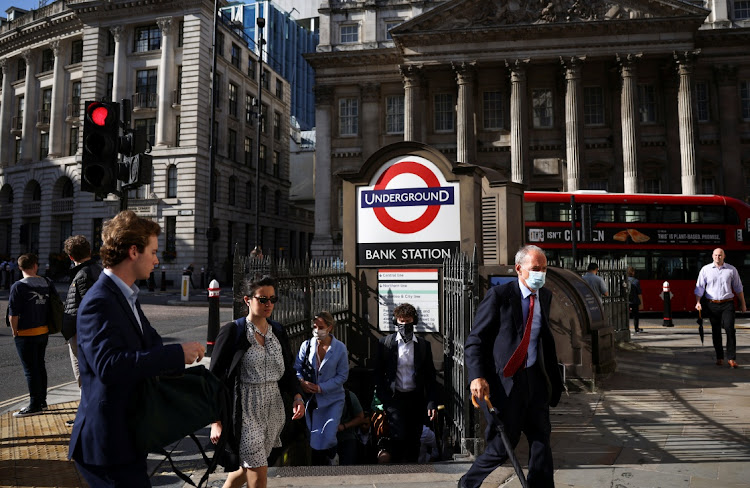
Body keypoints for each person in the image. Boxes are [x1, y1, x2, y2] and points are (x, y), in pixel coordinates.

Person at [67, 210, 205, 487]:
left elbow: (150, 345)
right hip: (106, 445)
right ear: (133, 251)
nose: (156, 259)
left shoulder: (125, 295)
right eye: (153, 251)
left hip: (128, 434)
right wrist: (176, 353)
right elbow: (109, 366)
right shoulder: (100, 300)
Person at [459, 245, 563, 488]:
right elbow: (475, 340)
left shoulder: (544, 297)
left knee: (541, 440)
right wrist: (476, 377)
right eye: (536, 269)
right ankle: (467, 484)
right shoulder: (499, 296)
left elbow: (542, 339)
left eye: (544, 269)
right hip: (506, 383)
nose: (541, 274)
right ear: (519, 269)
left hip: (535, 379)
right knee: (501, 445)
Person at [209, 275, 305, 488]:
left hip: (273, 409)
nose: (269, 304)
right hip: (245, 410)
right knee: (259, 473)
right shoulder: (233, 331)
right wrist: (215, 421)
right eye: (262, 299)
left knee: (249, 469)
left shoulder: (278, 331)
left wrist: (297, 395)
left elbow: (288, 370)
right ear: (247, 300)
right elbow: (214, 379)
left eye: (272, 299)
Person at [373, 303, 438, 463]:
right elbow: (378, 372)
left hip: (416, 399)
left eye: (407, 321)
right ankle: (398, 469)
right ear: (396, 322)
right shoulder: (386, 344)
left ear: (414, 321)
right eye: (401, 321)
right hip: (395, 398)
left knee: (414, 437)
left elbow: (430, 376)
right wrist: (384, 397)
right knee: (398, 435)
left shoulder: (423, 346)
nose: (404, 325)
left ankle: (412, 469)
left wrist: (431, 403)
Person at [294, 311, 349, 465]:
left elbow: (342, 376)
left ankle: (333, 457)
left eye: (321, 327)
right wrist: (302, 382)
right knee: (315, 437)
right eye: (315, 326)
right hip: (313, 400)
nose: (317, 330)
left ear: (330, 327)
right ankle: (320, 467)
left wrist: (320, 387)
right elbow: (297, 367)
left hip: (333, 399)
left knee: (329, 434)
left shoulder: (340, 348)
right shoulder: (307, 345)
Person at [8, 253, 59, 418]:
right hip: (43, 331)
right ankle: (42, 401)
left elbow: (13, 314)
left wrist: (14, 331)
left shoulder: (18, 286)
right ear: (35, 266)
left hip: (25, 332)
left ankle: (34, 404)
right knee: (40, 366)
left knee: (30, 370)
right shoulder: (46, 282)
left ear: (20, 267)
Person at [62, 235, 102, 426]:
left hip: (81, 332)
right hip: (82, 331)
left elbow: (90, 306)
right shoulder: (92, 270)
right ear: (90, 251)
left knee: (83, 375)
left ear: (70, 256)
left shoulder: (84, 274)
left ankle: (86, 416)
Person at [694, 248, 746, 368]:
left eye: (720, 255)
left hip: (727, 303)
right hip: (712, 304)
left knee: (729, 329)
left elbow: (738, 287)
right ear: (712, 256)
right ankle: (719, 357)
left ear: (724, 256)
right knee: (716, 331)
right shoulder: (705, 270)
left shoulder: (731, 270)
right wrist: (697, 302)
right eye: (716, 255)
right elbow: (699, 288)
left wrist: (743, 303)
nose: (718, 257)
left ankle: (731, 358)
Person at [336, 388, 368, 465]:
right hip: (324, 439)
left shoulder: (349, 396)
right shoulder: (319, 396)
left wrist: (344, 426)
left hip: (346, 436)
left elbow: (360, 417)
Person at [627, 266, 643, 334]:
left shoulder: (624, 280)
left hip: (626, 301)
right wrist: (641, 303)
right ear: (633, 273)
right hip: (634, 301)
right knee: (635, 316)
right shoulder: (636, 281)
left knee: (625, 316)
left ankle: (625, 328)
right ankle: (636, 329)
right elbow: (639, 293)